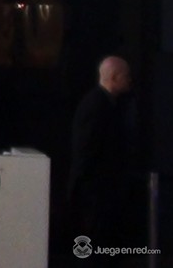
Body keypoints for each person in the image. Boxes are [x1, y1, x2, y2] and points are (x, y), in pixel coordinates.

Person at [69, 55, 134, 252]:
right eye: (126, 75)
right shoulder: (96, 105)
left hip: (102, 191)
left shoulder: (107, 104)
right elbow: (86, 150)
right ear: (114, 77)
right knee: (96, 245)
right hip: (95, 193)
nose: (130, 80)